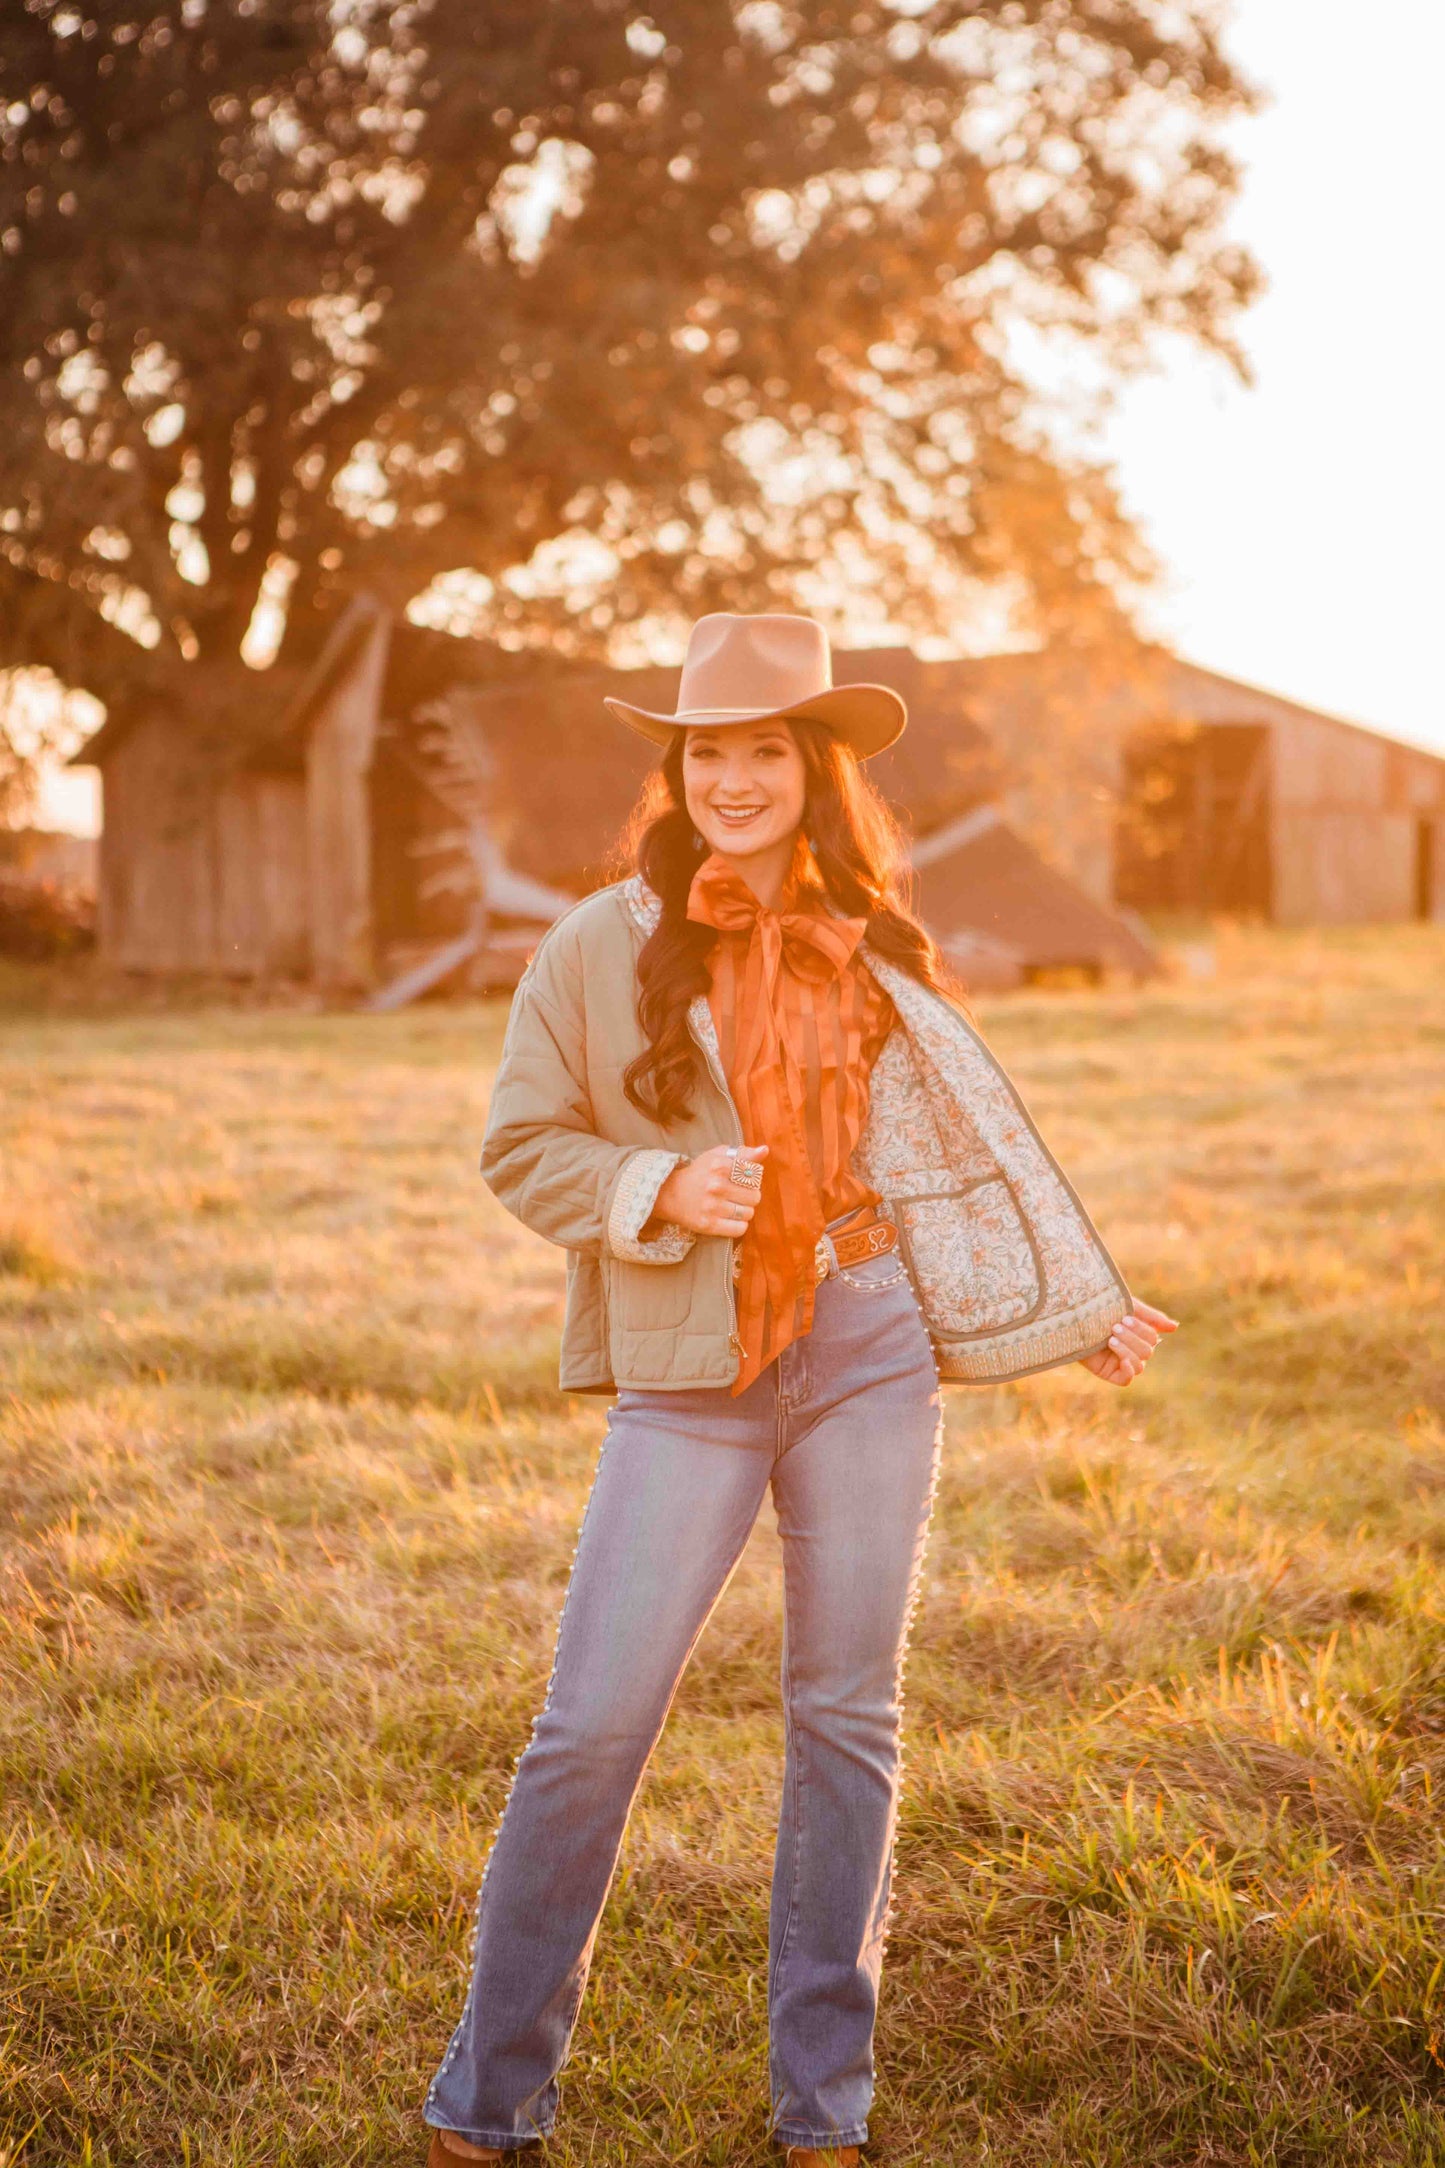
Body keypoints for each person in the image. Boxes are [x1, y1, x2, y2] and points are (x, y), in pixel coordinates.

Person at [423, 613, 1176, 2165]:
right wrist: (654, 1183)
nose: (735, 778)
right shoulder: (595, 942)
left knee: (847, 1719)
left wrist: (1070, 1311)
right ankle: (486, 2107)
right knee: (589, 1727)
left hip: (870, 1347)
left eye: (766, 749)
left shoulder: (877, 940)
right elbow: (517, 1149)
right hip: (694, 1368)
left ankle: (820, 2110)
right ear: (677, 768)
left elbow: (958, 1161)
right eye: (709, 751)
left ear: (813, 770)